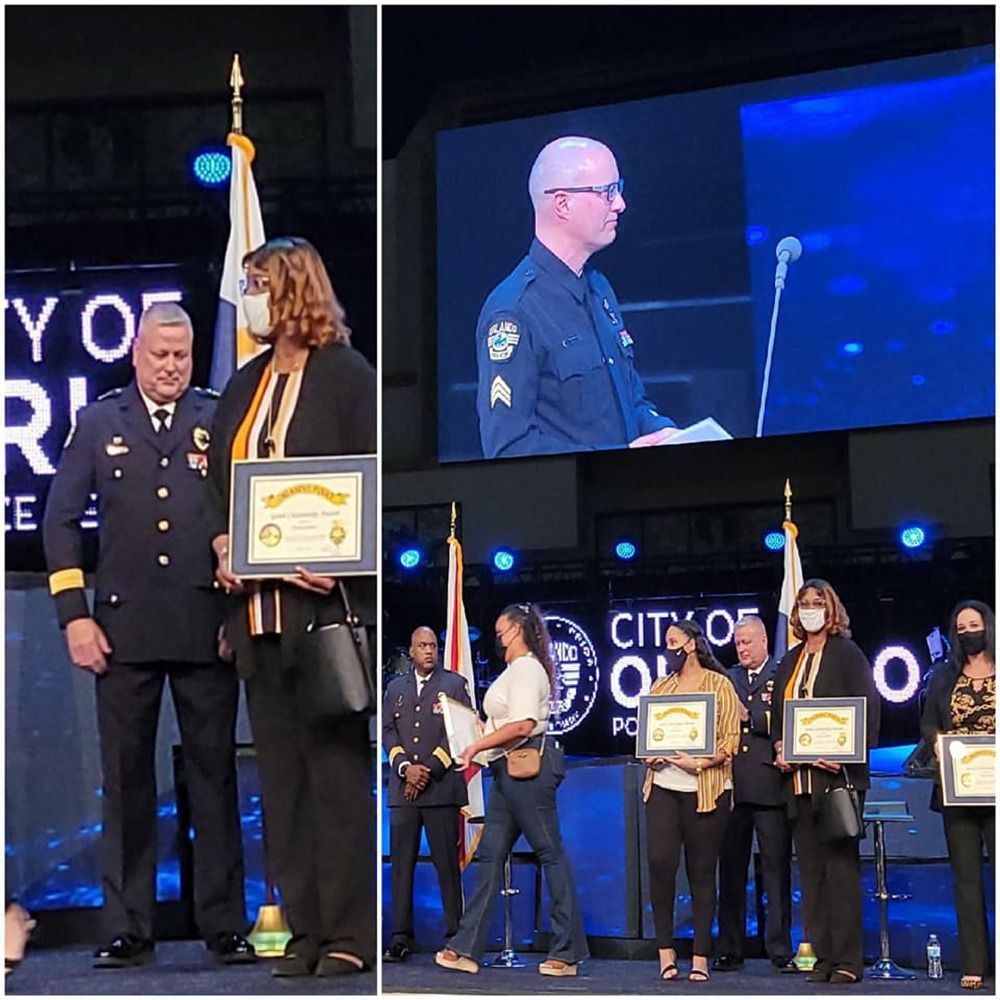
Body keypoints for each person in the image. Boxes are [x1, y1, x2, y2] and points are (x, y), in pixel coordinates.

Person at [42, 302, 252, 968]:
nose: (171, 367)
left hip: (205, 627)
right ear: (135, 353)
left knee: (215, 781)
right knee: (127, 784)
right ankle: (128, 928)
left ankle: (224, 925)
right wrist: (74, 615)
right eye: (159, 355)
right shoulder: (99, 421)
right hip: (121, 632)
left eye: (181, 355)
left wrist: (237, 618)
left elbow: (245, 515)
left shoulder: (218, 416)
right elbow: (60, 521)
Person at [209, 236, 376, 977]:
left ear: (293, 289)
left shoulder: (346, 376)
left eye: (258, 284)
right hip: (256, 618)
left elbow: (370, 482)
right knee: (281, 785)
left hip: (324, 615)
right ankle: (304, 931)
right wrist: (222, 543)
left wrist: (343, 559)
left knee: (335, 779)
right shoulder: (243, 384)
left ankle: (348, 934)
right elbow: (219, 488)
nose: (249, 297)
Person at [475, 136, 677, 459]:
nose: (620, 203)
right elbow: (509, 447)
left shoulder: (599, 289)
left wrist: (666, 433)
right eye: (607, 191)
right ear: (562, 204)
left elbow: (632, 401)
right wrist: (614, 458)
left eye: (618, 188)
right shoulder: (514, 312)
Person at [435, 603, 588, 977]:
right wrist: (469, 727)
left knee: (549, 853)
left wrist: (476, 745)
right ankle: (466, 947)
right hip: (507, 770)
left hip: (527, 769)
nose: (497, 638)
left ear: (517, 630)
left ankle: (567, 952)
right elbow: (504, 722)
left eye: (500, 631)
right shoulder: (514, 671)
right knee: (489, 856)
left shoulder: (526, 669)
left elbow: (523, 725)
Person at [771, 579, 881, 985]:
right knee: (812, 874)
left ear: (830, 609)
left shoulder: (847, 654)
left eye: (818, 602)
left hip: (837, 780)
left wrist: (846, 752)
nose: (810, 609)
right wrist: (780, 747)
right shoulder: (790, 659)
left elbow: (869, 709)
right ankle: (822, 958)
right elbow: (780, 717)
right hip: (798, 782)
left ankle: (848, 960)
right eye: (804, 603)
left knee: (840, 871)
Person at [643, 620, 740, 983]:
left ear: (692, 644)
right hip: (663, 786)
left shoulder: (720, 685)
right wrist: (649, 755)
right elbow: (647, 736)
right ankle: (665, 952)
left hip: (706, 789)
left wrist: (698, 762)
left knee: (701, 872)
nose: (668, 649)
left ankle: (700, 956)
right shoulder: (660, 686)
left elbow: (730, 741)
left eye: (673, 641)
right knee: (660, 864)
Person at [382, 626, 472, 961]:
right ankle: (400, 937)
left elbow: (460, 731)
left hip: (440, 789)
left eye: (433, 645)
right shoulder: (395, 688)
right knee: (401, 866)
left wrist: (428, 770)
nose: (429, 651)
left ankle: (456, 938)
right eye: (422, 645)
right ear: (411, 650)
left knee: (446, 866)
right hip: (403, 790)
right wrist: (406, 768)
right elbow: (388, 731)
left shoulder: (454, 685)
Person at [920, 600, 995, 991]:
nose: (968, 633)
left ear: (988, 627)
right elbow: (929, 722)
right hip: (958, 790)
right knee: (966, 881)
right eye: (961, 628)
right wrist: (936, 742)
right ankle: (975, 963)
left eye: (974, 625)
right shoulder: (944, 677)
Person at [714, 616, 793, 972]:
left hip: (769, 785)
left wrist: (751, 717)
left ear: (764, 640)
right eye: (737, 643)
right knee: (731, 873)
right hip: (733, 786)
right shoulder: (728, 678)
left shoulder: (782, 673)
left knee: (776, 871)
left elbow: (788, 719)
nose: (742, 649)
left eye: (747, 642)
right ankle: (730, 948)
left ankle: (779, 949)